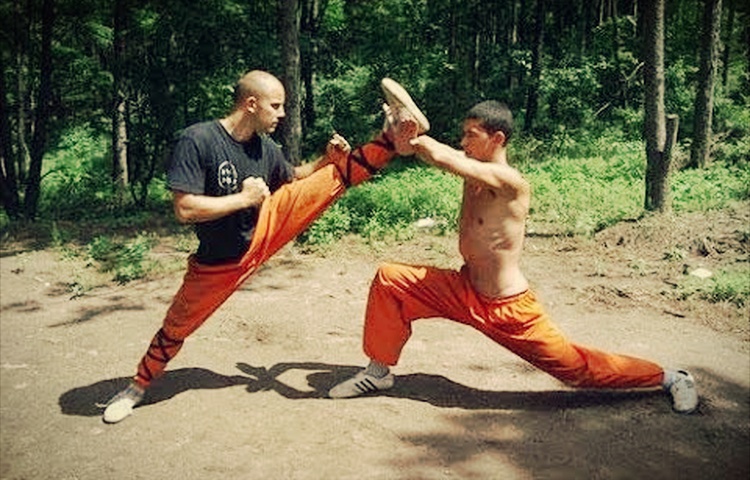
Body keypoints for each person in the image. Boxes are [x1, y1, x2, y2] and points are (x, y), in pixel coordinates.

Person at [328, 100, 699, 414]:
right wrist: (396, 130)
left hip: (507, 307)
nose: (464, 141)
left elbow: (441, 157)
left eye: (471, 134)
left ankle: (669, 377)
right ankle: (378, 372)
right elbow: (418, 151)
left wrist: (417, 135)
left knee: (575, 369)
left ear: (498, 138)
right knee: (391, 279)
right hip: (463, 289)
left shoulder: (510, 181)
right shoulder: (472, 167)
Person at [102, 71, 430, 423]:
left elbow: (292, 178)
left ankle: (392, 136)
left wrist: (324, 160)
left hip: (266, 226)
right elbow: (185, 209)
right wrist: (243, 199)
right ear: (251, 103)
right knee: (176, 328)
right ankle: (137, 387)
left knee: (334, 177)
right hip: (219, 263)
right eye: (276, 106)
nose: (282, 113)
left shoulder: (264, 146)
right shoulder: (197, 140)